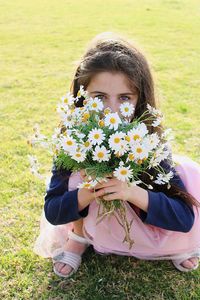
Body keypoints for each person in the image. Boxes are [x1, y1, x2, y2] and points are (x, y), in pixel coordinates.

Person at [33, 32, 200, 278]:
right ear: (82, 97)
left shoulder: (148, 141)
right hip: (94, 218)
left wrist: (131, 191)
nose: (112, 110)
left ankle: (174, 245)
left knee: (178, 187)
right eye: (99, 97)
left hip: (143, 221)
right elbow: (54, 211)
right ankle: (79, 236)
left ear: (139, 100)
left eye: (124, 98)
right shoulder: (71, 139)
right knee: (80, 174)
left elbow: (184, 218)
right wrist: (87, 193)